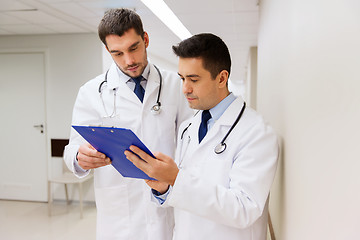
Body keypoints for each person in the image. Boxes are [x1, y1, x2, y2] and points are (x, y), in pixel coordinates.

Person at [125, 33, 279, 240]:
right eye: (182, 78)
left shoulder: (256, 132)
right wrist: (164, 188)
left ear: (222, 78)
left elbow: (244, 209)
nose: (185, 89)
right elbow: (186, 194)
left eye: (193, 79)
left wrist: (175, 178)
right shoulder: (189, 127)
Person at [64, 8, 192, 240]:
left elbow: (192, 146)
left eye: (134, 48)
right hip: (119, 215)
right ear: (107, 50)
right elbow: (73, 148)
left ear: (145, 39)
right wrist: (80, 158)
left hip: (168, 205)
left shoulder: (176, 85)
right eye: (117, 53)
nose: (129, 60)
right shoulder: (91, 92)